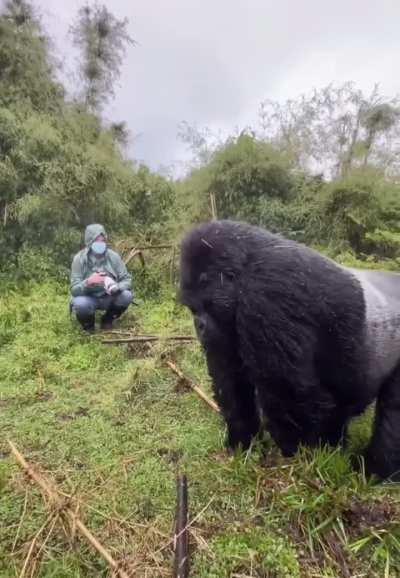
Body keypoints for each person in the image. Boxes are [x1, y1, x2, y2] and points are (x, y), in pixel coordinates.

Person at [70, 224, 133, 332]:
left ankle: (107, 320)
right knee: (80, 304)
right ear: (90, 242)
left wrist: (117, 287)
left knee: (126, 296)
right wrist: (88, 282)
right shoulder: (79, 259)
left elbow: (127, 279)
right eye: (97, 241)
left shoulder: (113, 257)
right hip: (89, 298)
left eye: (103, 241)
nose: (101, 244)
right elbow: (74, 290)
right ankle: (88, 326)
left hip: (108, 297)